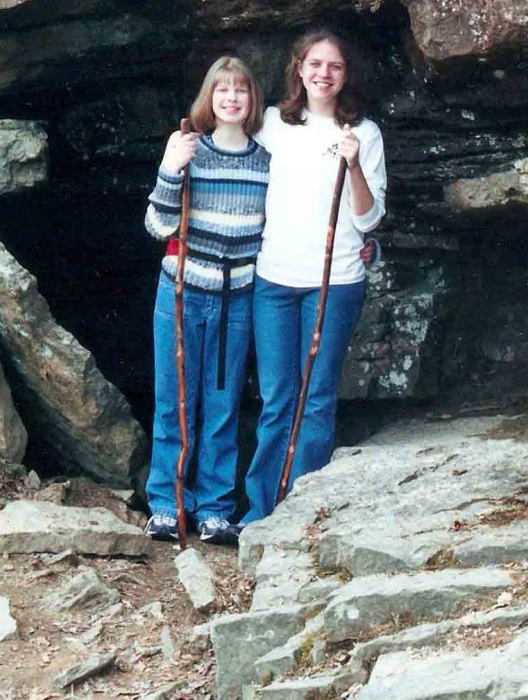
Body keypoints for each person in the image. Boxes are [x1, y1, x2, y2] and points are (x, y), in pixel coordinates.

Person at [242, 28, 386, 525]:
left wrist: (353, 165)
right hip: (274, 277)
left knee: (317, 396)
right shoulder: (272, 124)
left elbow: (369, 217)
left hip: (335, 279)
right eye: (315, 64)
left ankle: (301, 512)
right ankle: (261, 510)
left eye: (335, 66)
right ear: (299, 69)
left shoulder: (364, 133)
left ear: (346, 75)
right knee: (277, 397)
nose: (324, 74)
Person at [144, 56, 269, 544]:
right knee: (174, 400)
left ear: (252, 99)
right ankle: (167, 503)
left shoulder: (266, 162)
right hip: (181, 292)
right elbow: (157, 225)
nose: (231, 98)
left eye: (240, 90)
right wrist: (170, 168)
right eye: (222, 90)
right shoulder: (190, 150)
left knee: (222, 404)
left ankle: (215, 508)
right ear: (208, 98)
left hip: (236, 296)